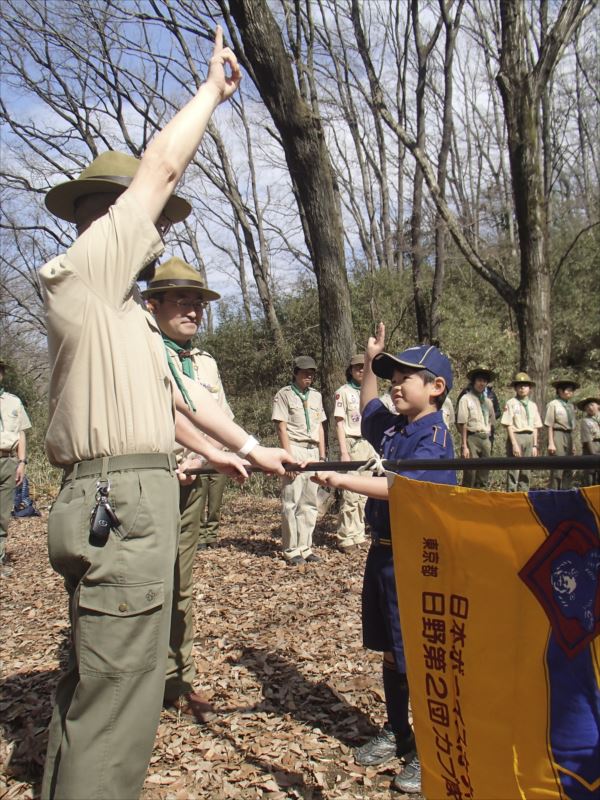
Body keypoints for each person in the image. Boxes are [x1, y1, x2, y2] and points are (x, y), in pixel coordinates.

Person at [39, 30, 289, 800]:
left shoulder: (120, 312)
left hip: (124, 492)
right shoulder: (86, 271)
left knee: (101, 690)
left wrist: (240, 448)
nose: (159, 230)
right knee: (119, 704)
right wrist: (212, 93)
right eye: (143, 213)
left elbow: (170, 410)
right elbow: (164, 163)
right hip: (122, 503)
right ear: (104, 214)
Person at [312, 324, 456, 794]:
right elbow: (368, 408)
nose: (394, 385)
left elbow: (403, 489)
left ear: (435, 388)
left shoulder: (434, 437)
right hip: (383, 556)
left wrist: (343, 481)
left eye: (405, 378)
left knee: (417, 652)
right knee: (393, 652)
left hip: (417, 559)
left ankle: (430, 749)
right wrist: (372, 360)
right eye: (391, 378)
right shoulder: (396, 427)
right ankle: (399, 732)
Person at [143, 256, 233, 723]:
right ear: (152, 304)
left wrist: (202, 456)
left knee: (180, 585)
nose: (194, 310)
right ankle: (132, 683)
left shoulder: (206, 364)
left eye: (198, 303)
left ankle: (178, 679)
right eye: (182, 300)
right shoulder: (137, 350)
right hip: (142, 487)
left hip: (192, 484)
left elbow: (222, 421)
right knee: (136, 585)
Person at [272, 356, 326, 565]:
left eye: (311, 372)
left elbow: (320, 426)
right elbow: (281, 427)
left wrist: (322, 456)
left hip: (313, 451)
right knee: (291, 501)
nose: (309, 376)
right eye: (304, 372)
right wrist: (289, 458)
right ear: (295, 373)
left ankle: (306, 547)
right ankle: (291, 549)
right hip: (294, 448)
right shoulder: (284, 395)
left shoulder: (316, 396)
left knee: (309, 502)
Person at [333, 354, 376, 552]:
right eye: (357, 367)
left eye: (363, 367)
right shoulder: (343, 392)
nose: (360, 370)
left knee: (364, 494)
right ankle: (345, 536)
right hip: (352, 443)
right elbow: (340, 423)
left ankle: (358, 533)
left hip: (368, 444)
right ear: (350, 370)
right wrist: (343, 451)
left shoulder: (370, 393)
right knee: (350, 494)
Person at [0, 357, 31, 574]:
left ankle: (0, 557)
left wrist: (21, 462)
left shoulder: (13, 401)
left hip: (8, 461)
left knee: (3, 515)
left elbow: (20, 433)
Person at [501, 372, 543, 492]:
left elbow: (535, 426)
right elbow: (508, 424)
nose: (522, 388)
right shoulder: (511, 403)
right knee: (514, 469)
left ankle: (523, 494)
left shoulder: (533, 405)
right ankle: (511, 495)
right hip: (516, 436)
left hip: (529, 437)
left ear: (529, 388)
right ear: (515, 388)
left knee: (526, 469)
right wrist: (514, 443)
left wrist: (535, 445)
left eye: (525, 385)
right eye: (519, 386)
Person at [457, 366, 496, 489]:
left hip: (485, 438)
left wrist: (490, 439)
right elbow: (462, 422)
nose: (482, 383)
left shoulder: (488, 402)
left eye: (484, 381)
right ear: (474, 382)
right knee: (470, 472)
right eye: (479, 380)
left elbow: (492, 420)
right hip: (471, 437)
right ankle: (466, 501)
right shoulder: (466, 399)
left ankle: (481, 497)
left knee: (484, 471)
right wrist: (464, 445)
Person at [545, 378, 579, 490]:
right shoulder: (553, 404)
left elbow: (572, 427)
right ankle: (554, 492)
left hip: (568, 435)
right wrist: (551, 443)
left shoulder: (571, 406)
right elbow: (549, 424)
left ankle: (566, 490)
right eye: (567, 390)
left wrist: (573, 444)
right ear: (559, 391)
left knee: (569, 465)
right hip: (557, 434)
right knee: (558, 466)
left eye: (571, 390)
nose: (569, 392)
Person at [577, 395, 600, 486]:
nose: (589, 408)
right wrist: (593, 454)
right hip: (592, 448)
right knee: (590, 474)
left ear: (598, 405)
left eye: (591, 405)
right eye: (586, 407)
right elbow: (588, 439)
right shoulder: (585, 421)